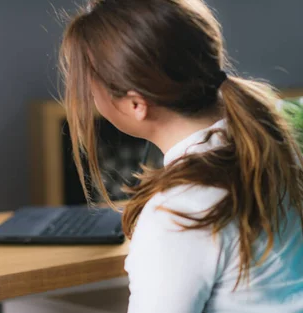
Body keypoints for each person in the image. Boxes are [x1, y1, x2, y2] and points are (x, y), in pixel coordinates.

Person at [59, 0, 303, 312]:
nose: (90, 100)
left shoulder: (178, 212)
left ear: (136, 104)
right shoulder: (268, 140)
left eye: (92, 91)